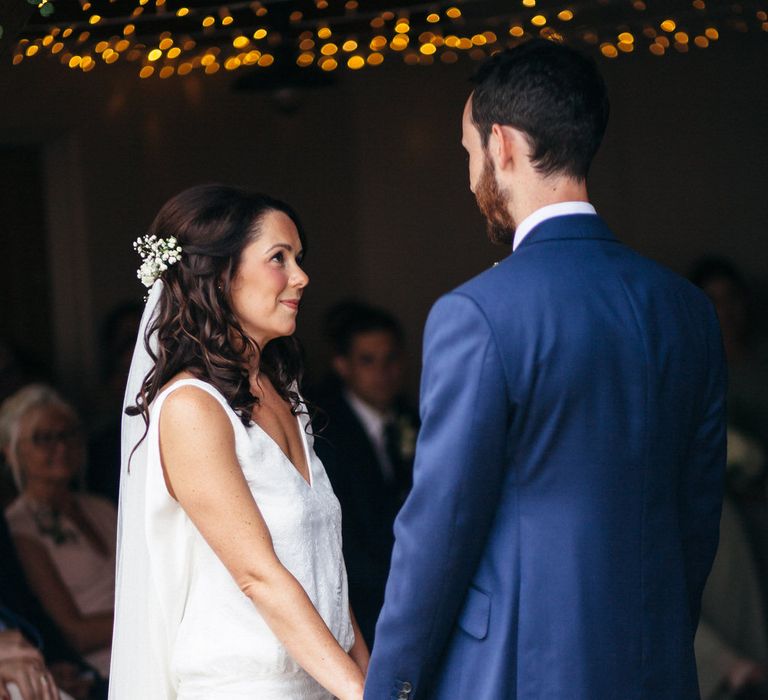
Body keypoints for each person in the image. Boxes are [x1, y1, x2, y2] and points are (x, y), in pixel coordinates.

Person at [364, 40, 726, 700]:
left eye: (469, 153)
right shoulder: (688, 309)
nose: (471, 174)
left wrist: (391, 686)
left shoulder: (476, 312)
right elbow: (697, 516)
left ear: (502, 145)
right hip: (656, 664)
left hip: (518, 672)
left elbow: (438, 534)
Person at [109, 184, 368, 699]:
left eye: (299, 257)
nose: (301, 276)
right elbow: (258, 575)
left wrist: (371, 675)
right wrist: (362, 693)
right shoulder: (191, 408)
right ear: (220, 276)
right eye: (279, 258)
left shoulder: (283, 393)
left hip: (320, 680)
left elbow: (324, 570)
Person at [312, 301, 417, 647]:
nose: (383, 372)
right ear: (342, 365)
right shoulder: (325, 432)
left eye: (390, 358)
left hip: (413, 586)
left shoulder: (412, 419)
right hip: (360, 603)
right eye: (368, 360)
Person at [0, 385, 116, 679]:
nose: (61, 447)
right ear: (12, 452)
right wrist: (152, 617)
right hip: (103, 665)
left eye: (68, 434)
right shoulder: (20, 527)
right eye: (44, 439)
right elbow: (74, 634)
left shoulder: (101, 507)